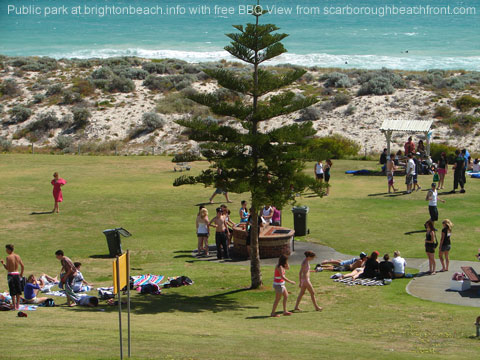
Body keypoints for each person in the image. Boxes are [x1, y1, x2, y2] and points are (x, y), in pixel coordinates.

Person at [1, 244, 24, 310]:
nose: (6, 251)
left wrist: (3, 263)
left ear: (9, 250)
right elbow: (22, 266)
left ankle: (14, 305)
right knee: (18, 290)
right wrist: (21, 274)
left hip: (11, 274)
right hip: (17, 274)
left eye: (6, 249)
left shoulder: (8, 257)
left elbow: (7, 268)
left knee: (12, 290)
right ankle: (18, 305)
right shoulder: (17, 256)